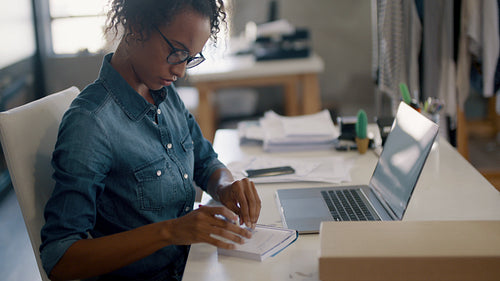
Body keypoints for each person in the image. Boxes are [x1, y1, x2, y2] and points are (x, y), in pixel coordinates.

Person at [40, 0, 261, 280]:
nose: (181, 71)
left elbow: (205, 161)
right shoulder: (91, 123)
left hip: (192, 265)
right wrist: (171, 231)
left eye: (191, 57)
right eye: (176, 52)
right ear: (137, 27)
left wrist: (226, 186)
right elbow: (60, 258)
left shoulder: (164, 95)